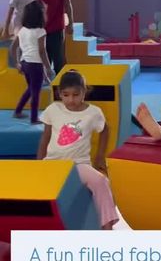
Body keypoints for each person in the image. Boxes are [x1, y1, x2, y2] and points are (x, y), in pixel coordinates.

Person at [37, 70, 118, 230]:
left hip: (79, 164)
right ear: (60, 94)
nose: (71, 100)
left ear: (84, 92)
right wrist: (39, 162)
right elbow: (45, 136)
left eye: (76, 94)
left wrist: (100, 156)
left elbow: (105, 130)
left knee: (101, 181)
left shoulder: (93, 112)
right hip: (53, 163)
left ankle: (107, 227)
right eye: (66, 95)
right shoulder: (53, 109)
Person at [10, 0, 55, 124]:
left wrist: (17, 63)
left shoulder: (23, 30)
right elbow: (41, 51)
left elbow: (13, 47)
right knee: (35, 92)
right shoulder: (40, 31)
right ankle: (34, 118)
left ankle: (18, 111)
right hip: (35, 65)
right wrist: (48, 67)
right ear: (40, 15)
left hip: (25, 63)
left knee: (31, 88)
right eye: (44, 12)